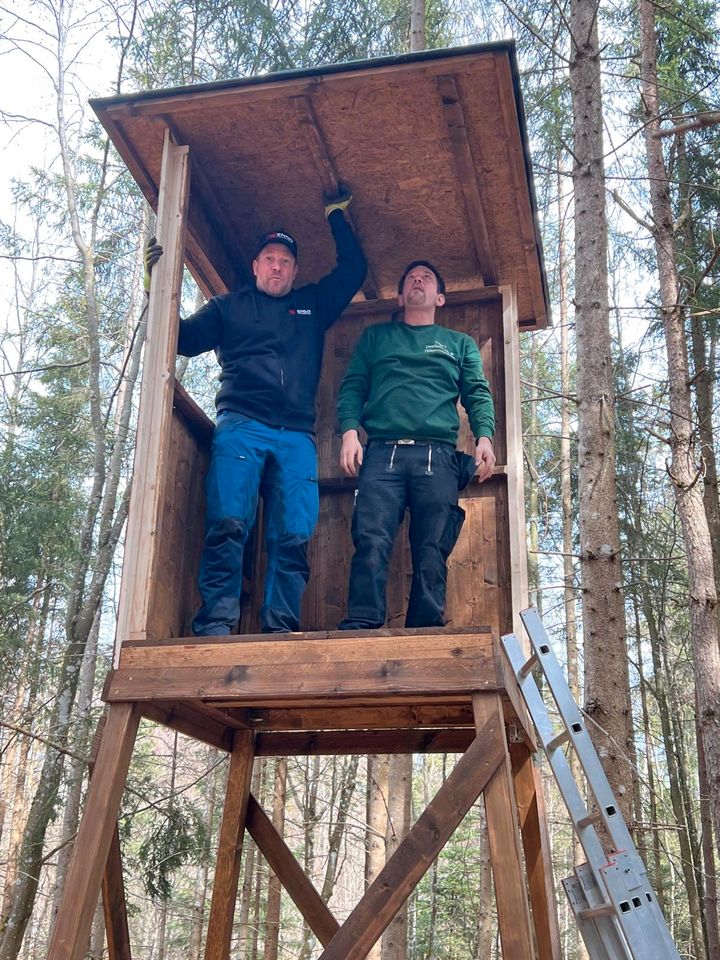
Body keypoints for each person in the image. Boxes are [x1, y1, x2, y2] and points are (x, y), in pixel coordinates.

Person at [145, 190, 366, 635]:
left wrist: (336, 218)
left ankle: (280, 628)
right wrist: (156, 285)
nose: (277, 266)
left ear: (295, 270)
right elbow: (182, 339)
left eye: (285, 261)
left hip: (295, 436)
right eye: (269, 259)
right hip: (241, 426)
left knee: (294, 534)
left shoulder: (311, 305)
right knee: (228, 524)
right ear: (256, 267)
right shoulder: (229, 307)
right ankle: (215, 626)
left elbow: (353, 271)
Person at [337, 260, 495, 630]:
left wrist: (485, 437)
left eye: (426, 278)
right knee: (371, 539)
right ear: (400, 295)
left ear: (439, 297)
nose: (417, 281)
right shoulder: (375, 338)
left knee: (431, 548)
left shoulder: (460, 344)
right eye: (410, 278)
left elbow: (477, 393)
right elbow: (352, 386)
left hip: (436, 457)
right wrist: (348, 432)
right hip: (381, 454)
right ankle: (362, 623)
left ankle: (424, 628)